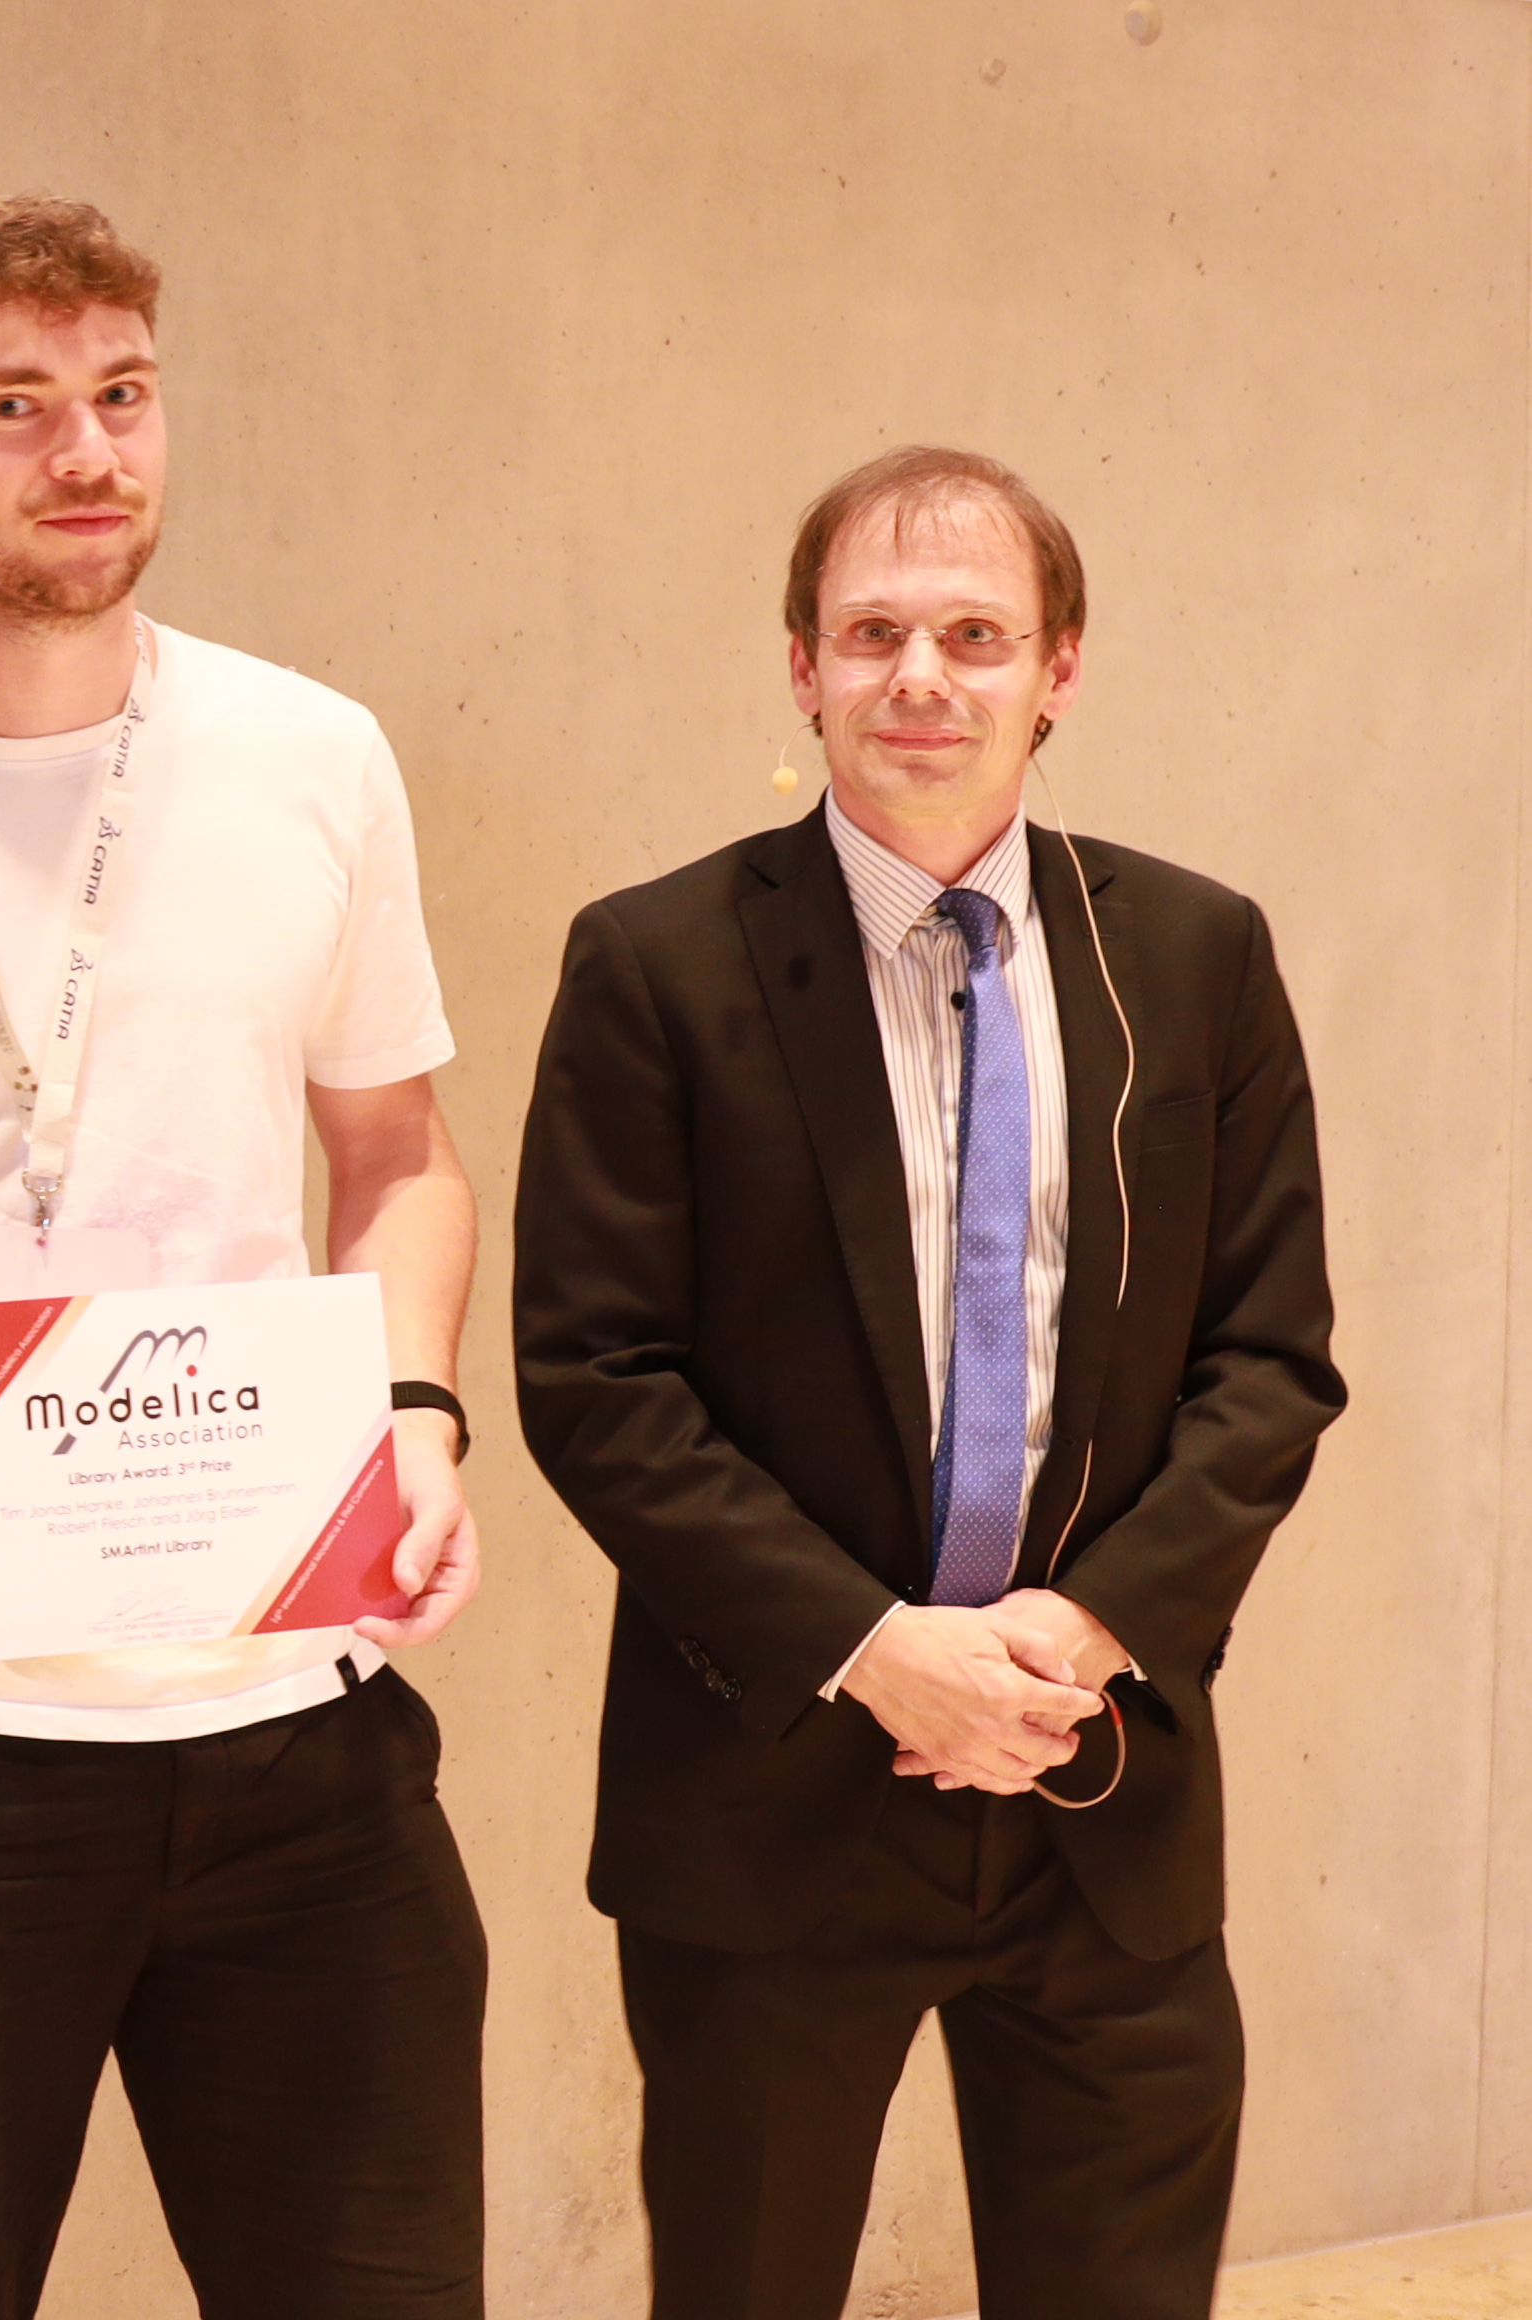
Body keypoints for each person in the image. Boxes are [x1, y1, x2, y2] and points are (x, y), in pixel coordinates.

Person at [512, 445, 1344, 2320]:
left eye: (975, 633)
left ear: (1059, 667)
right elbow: (597, 1378)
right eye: (872, 630)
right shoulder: (655, 963)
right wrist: (878, 1646)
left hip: (1099, 1780)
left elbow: (1269, 1359)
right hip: (774, 1788)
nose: (921, 677)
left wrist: (1083, 1633)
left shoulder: (1196, 957)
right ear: (797, 664)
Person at [0, 195, 489, 2320]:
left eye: (119, 397)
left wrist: (420, 1413)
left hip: (296, 1725)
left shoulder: (310, 755)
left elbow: (397, 1154)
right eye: (14, 406)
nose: (86, 453)